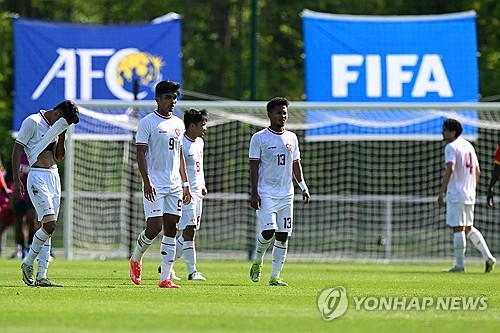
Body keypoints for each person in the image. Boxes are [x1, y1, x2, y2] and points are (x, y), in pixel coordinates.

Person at [129, 80, 191, 289]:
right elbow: (140, 154)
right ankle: (136, 258)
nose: (172, 101)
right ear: (157, 99)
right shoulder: (147, 123)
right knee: (154, 227)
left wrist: (185, 183)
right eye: (168, 98)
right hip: (154, 183)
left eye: (174, 97)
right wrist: (146, 181)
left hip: (174, 184)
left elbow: (180, 155)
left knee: (172, 227)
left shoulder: (179, 123)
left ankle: (165, 277)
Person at [14, 99, 79, 287]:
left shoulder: (57, 128)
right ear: (58, 113)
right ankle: (27, 263)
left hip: (54, 177)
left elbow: (59, 156)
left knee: (47, 227)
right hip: (37, 177)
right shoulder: (33, 122)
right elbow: (17, 150)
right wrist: (18, 179)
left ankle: (42, 275)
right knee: (49, 225)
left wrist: (63, 133)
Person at [248, 97, 310, 286]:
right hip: (265, 192)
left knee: (283, 235)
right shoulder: (259, 138)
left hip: (286, 194)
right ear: (269, 114)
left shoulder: (292, 137)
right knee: (269, 230)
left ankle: (275, 276)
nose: (282, 116)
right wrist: (254, 192)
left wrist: (303, 187)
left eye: (284, 112)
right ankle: (257, 261)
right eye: (278, 112)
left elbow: (296, 164)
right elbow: (253, 166)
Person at [438, 118, 496, 273]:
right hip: (469, 193)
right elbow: (477, 170)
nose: (442, 133)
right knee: (468, 228)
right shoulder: (468, 146)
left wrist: (441, 191)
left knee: (458, 228)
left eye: (445, 130)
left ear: (452, 132)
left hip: (456, 193)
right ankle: (488, 257)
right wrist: (472, 188)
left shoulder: (451, 147)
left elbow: (450, 168)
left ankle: (459, 265)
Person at [167, 108, 208, 281]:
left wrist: (203, 183)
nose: (205, 128)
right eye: (202, 125)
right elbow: (176, 166)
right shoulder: (180, 142)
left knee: (189, 232)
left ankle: (166, 265)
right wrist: (184, 187)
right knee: (189, 231)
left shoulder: (199, 142)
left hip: (198, 192)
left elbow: (200, 164)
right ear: (192, 126)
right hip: (185, 192)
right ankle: (192, 271)